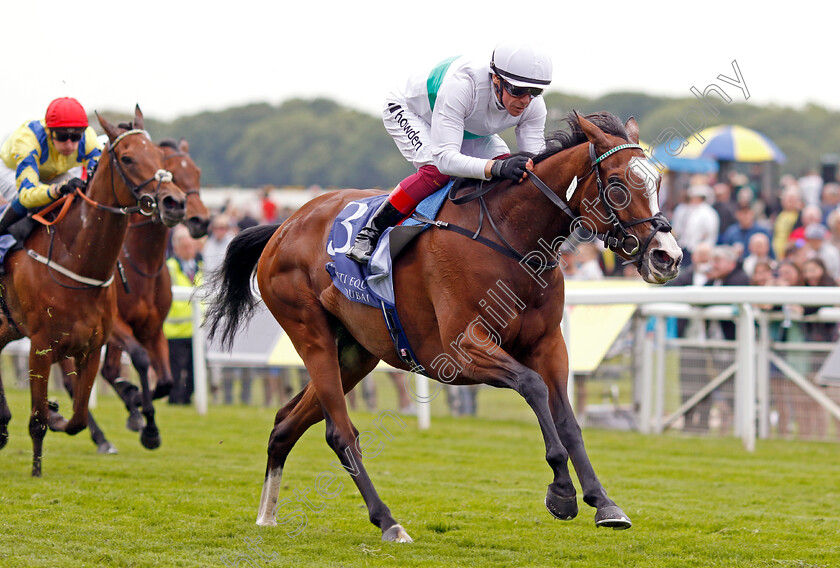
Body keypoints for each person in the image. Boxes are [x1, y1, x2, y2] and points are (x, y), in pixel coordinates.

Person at [346, 40, 552, 264]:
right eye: (518, 90)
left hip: (463, 125)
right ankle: (370, 233)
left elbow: (535, 162)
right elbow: (445, 159)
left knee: (511, 170)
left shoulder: (534, 105)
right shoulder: (463, 85)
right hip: (413, 111)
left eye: (535, 91)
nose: (525, 100)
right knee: (436, 171)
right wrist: (496, 167)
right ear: (496, 79)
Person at [0, 97, 102, 233]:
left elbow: (99, 180)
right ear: (49, 131)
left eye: (76, 137)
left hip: (53, 173)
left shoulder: (89, 138)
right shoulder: (27, 140)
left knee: (80, 194)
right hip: (10, 170)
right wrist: (57, 189)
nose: (69, 144)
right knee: (34, 202)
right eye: (61, 136)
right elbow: (26, 196)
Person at [164, 225, 203, 405]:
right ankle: (175, 399)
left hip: (197, 330)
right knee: (176, 371)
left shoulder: (200, 267)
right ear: (177, 248)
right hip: (175, 330)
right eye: (185, 247)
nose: (189, 250)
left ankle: (187, 398)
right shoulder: (169, 268)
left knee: (196, 371)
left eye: (191, 246)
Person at [671, 183, 719, 267]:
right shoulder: (690, 210)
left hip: (699, 249)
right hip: (686, 246)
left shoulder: (708, 212)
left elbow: (709, 232)